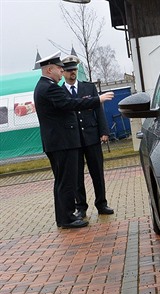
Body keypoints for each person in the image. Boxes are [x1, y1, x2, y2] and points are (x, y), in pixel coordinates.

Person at [34, 51, 114, 229]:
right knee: (67, 182)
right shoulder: (50, 88)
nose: (62, 72)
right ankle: (68, 218)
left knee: (63, 181)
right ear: (49, 70)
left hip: (63, 142)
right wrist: (97, 99)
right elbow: (71, 104)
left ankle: (64, 217)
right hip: (62, 143)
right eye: (59, 69)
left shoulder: (44, 86)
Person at [61, 55, 114, 218]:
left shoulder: (88, 88)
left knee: (97, 171)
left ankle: (101, 204)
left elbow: (99, 110)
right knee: (76, 175)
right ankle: (81, 207)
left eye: (74, 70)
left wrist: (104, 131)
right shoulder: (60, 92)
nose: (72, 73)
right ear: (63, 72)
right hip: (73, 140)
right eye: (69, 70)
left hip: (91, 136)